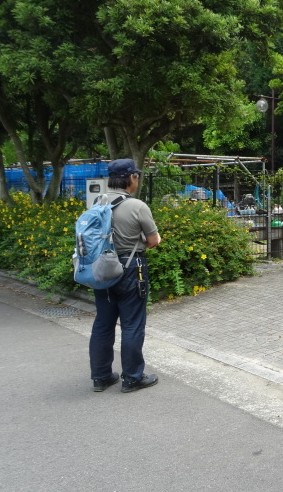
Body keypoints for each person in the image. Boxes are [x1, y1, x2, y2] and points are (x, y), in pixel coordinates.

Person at [89, 159, 161, 393]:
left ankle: (101, 377)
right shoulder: (137, 206)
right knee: (132, 324)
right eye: (136, 176)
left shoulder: (96, 203)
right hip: (131, 269)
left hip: (102, 269)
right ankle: (132, 378)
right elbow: (153, 241)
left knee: (103, 323)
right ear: (131, 178)